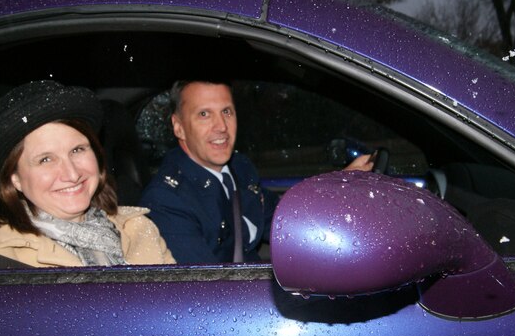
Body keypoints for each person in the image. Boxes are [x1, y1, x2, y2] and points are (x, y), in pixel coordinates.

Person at [0, 80, 174, 269]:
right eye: (45, 159)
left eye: (77, 150)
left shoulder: (139, 228)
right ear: (15, 178)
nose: (72, 174)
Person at [139, 80, 372, 264]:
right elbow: (204, 294)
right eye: (204, 114)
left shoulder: (239, 168)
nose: (221, 127)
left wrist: (339, 185)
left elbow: (284, 219)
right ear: (178, 127)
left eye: (227, 112)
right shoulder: (167, 201)